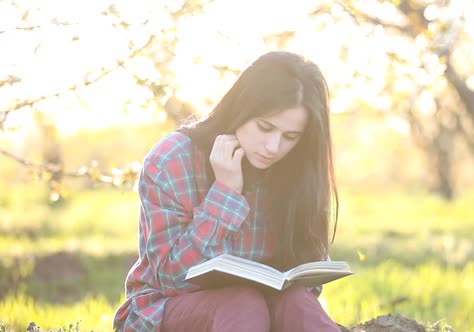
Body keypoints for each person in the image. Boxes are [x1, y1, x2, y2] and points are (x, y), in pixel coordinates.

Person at [113, 51, 341, 332]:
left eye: (290, 137)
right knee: (243, 304)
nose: (273, 147)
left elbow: (308, 284)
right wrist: (224, 195)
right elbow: (171, 279)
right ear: (241, 109)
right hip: (169, 309)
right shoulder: (172, 159)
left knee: (299, 304)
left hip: (264, 309)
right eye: (265, 127)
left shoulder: (297, 169)